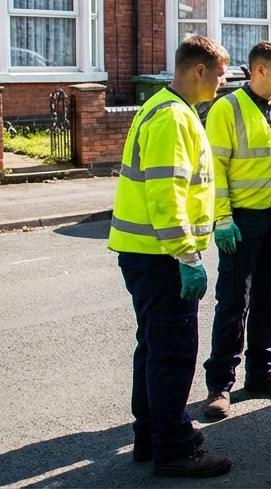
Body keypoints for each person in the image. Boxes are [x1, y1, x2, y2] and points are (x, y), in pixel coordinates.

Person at [109, 35, 232, 478]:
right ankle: (174, 450)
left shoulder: (167, 108)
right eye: (219, 72)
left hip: (146, 253)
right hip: (161, 257)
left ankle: (155, 433)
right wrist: (187, 257)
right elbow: (167, 194)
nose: (223, 80)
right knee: (173, 353)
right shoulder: (173, 118)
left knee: (154, 348)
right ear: (198, 70)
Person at [201, 41, 271, 420]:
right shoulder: (226, 109)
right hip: (242, 221)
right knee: (234, 302)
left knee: (270, 298)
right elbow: (214, 170)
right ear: (259, 70)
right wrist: (222, 218)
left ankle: (262, 373)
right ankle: (220, 385)